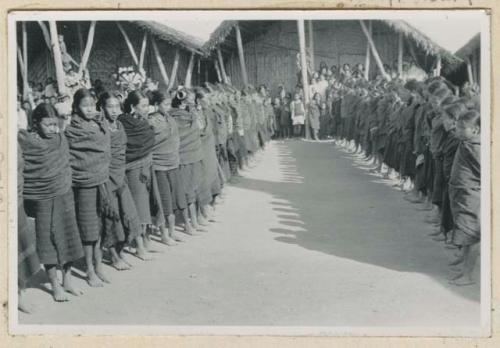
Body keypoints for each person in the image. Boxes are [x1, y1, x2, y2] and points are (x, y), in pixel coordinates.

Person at [20, 103, 84, 302]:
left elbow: (65, 162)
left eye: (55, 124)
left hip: (63, 192)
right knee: (47, 239)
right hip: (43, 197)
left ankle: (67, 280)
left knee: (68, 236)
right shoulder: (27, 141)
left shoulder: (60, 138)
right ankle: (54, 285)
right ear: (36, 123)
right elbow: (25, 167)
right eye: (48, 125)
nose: (53, 129)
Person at [65, 88, 112, 287]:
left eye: (92, 105)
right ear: (76, 107)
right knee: (87, 227)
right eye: (85, 106)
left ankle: (99, 265)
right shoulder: (71, 129)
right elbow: (71, 156)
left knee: (99, 224)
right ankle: (89, 270)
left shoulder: (98, 124)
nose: (89, 109)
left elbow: (105, 145)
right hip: (83, 182)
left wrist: (101, 120)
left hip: (101, 179)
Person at [97, 91, 142, 270]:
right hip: (106, 178)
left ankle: (120, 250)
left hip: (120, 175)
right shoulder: (100, 128)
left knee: (127, 213)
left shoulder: (120, 126)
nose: (114, 110)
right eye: (110, 106)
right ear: (102, 108)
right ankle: (114, 256)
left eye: (117, 106)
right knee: (111, 217)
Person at [118, 90, 160, 259]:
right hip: (133, 169)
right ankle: (139, 247)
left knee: (147, 204)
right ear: (133, 107)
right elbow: (129, 147)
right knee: (138, 207)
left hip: (146, 167)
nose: (146, 109)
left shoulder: (142, 121)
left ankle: (146, 241)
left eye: (147, 105)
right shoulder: (125, 123)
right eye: (142, 106)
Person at [148, 90, 194, 242]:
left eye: (169, 104)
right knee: (164, 200)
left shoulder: (170, 119)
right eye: (165, 104)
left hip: (173, 163)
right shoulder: (151, 121)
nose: (168, 107)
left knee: (177, 197)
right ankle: (164, 234)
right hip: (159, 166)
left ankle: (176, 230)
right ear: (156, 105)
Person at [448, 110, 481, 286]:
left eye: (462, 128)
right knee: (465, 234)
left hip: (471, 197)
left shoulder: (476, 147)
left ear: (475, 130)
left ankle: (468, 275)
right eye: (457, 126)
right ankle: (464, 269)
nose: (458, 130)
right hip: (461, 194)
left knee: (471, 236)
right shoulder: (466, 142)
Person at [171, 88, 206, 232]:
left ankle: (195, 218)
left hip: (194, 156)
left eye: (192, 99)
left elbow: (201, 127)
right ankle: (187, 223)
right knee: (185, 191)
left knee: (194, 188)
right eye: (189, 99)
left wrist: (194, 110)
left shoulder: (191, 114)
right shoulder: (174, 115)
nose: (191, 102)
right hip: (183, 157)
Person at [17, 138, 41, 313]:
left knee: (17, 247)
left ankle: (18, 295)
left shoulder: (12, 140)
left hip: (14, 200)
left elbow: (19, 166)